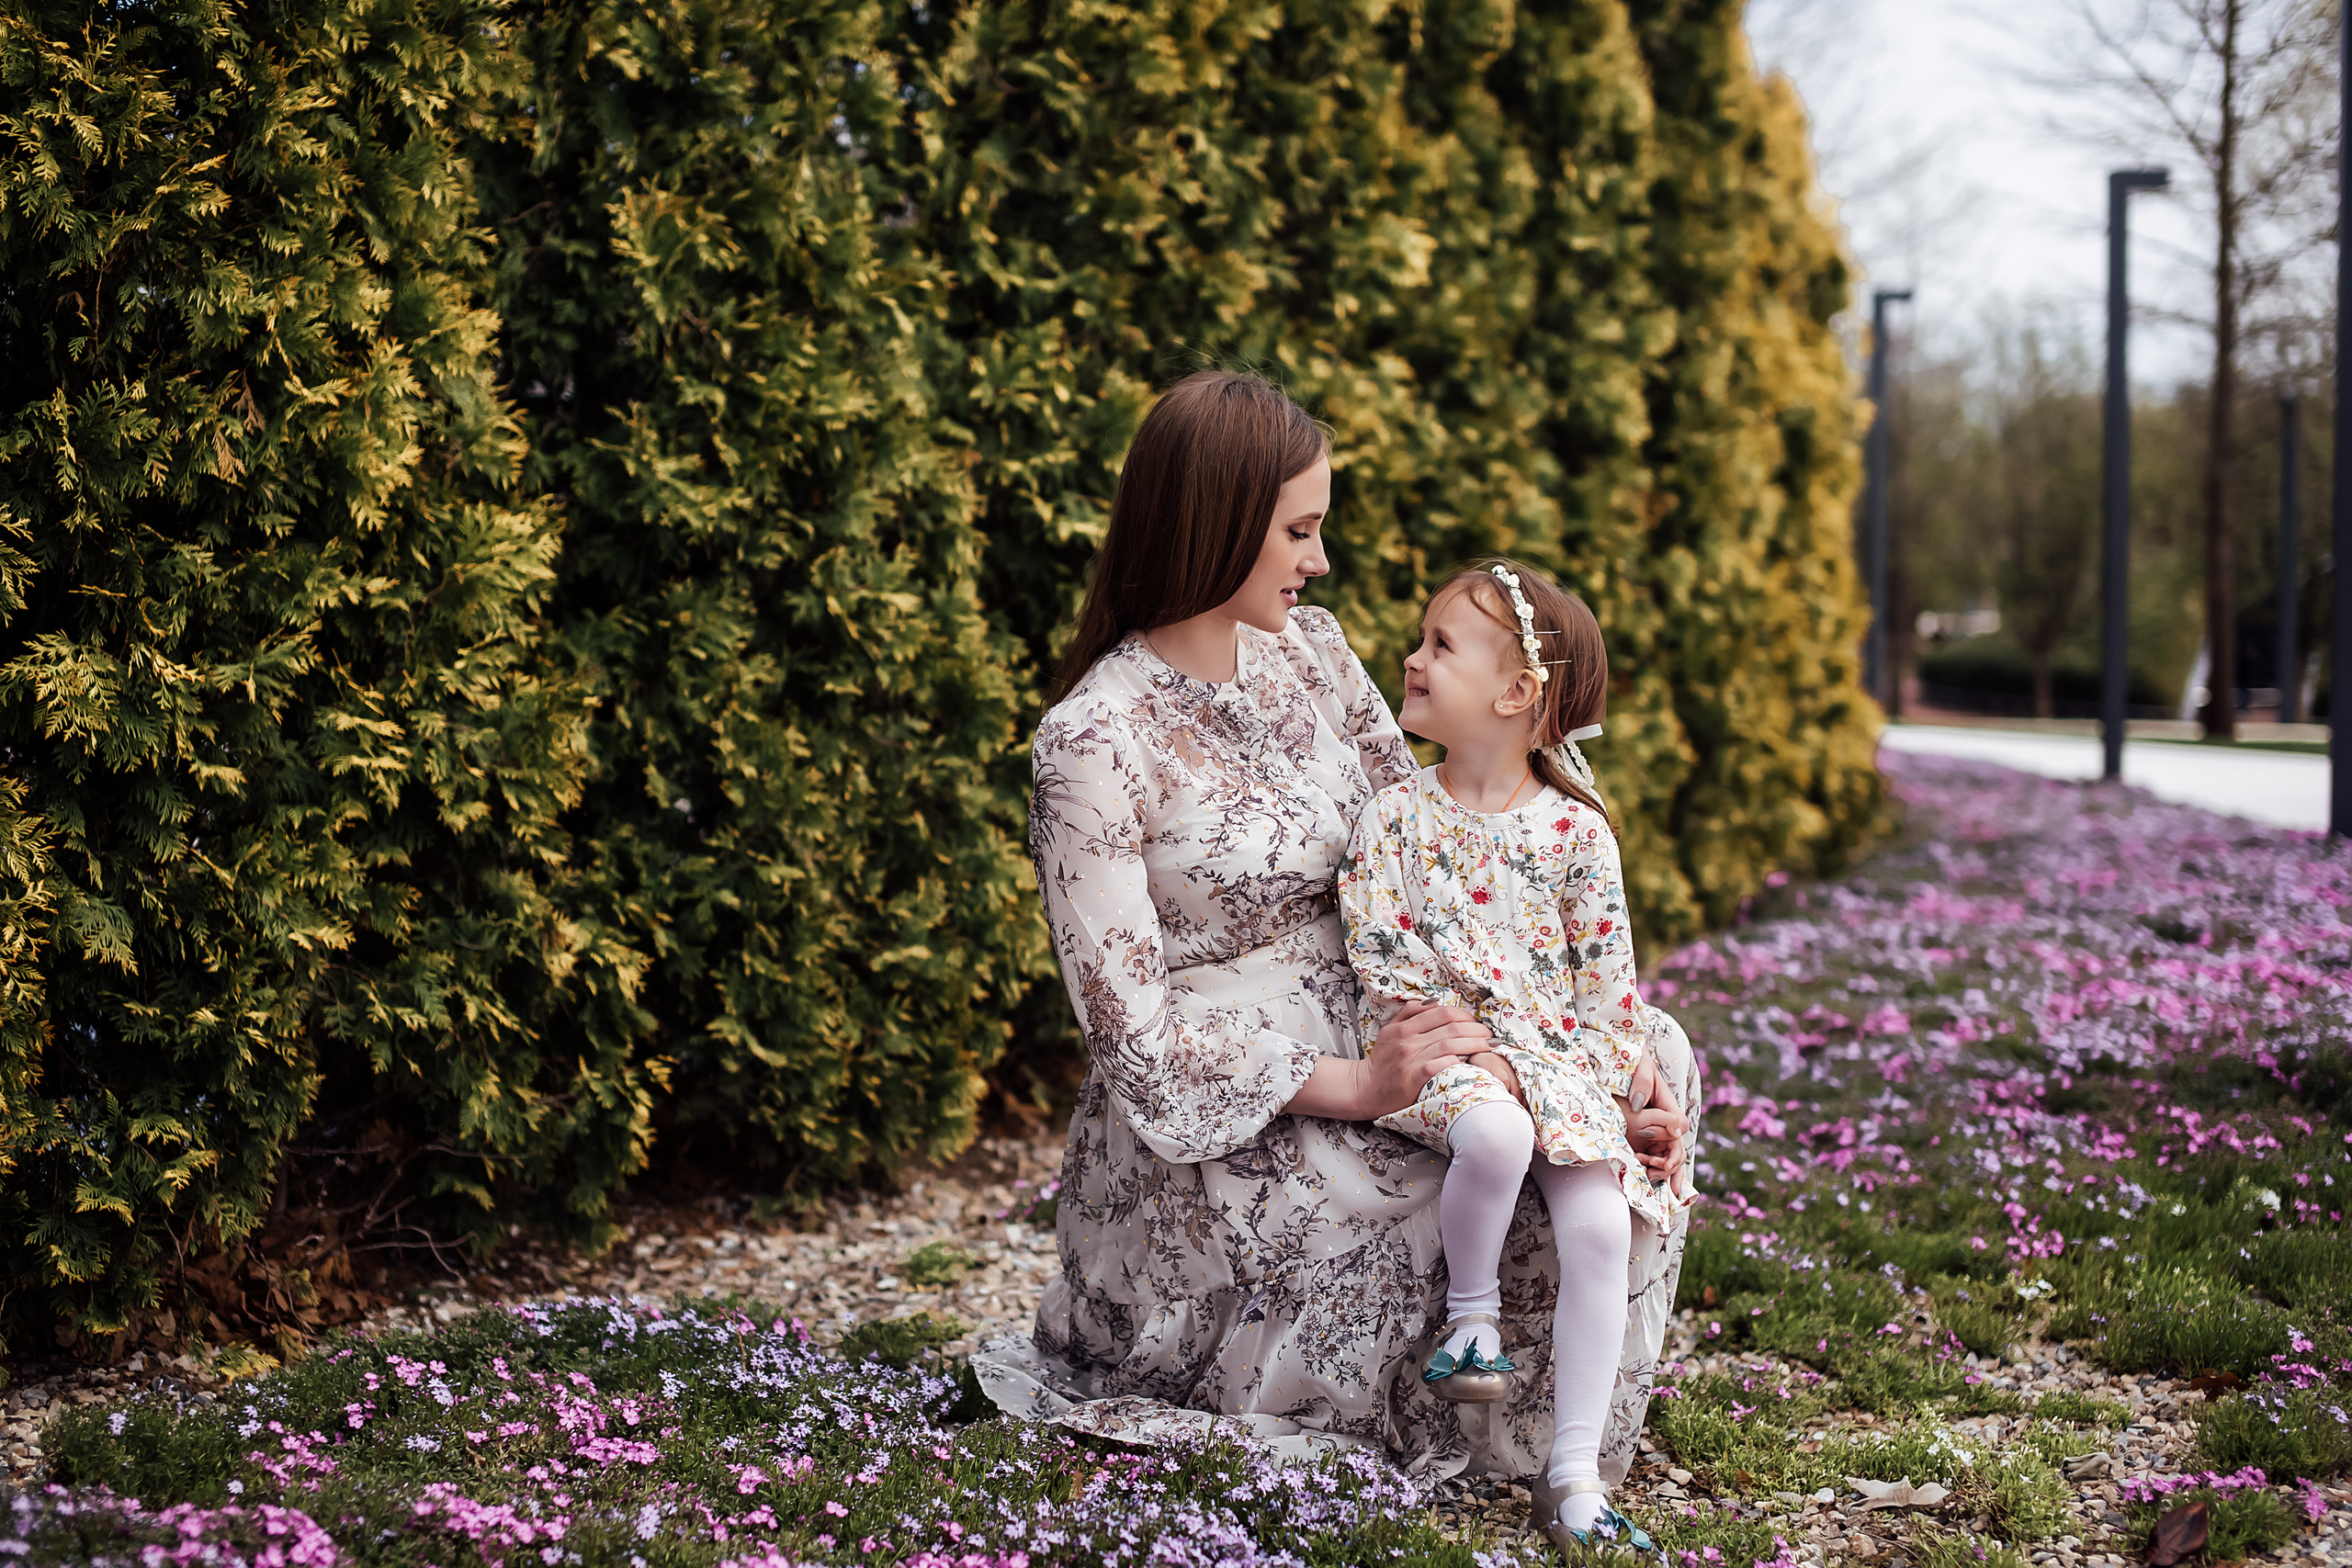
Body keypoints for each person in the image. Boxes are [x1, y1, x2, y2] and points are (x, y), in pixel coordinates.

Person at [971, 368, 1699, 1497]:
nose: (1318, 561)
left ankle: (1554, 1442)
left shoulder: (1310, 654)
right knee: (1408, 1168)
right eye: (1299, 531)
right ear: (1213, 527)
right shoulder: (1091, 744)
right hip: (1242, 1089)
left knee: (1637, 1069)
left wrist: (1599, 1058)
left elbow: (1456, 821)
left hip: (1394, 991)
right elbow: (1135, 1039)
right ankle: (1427, 1409)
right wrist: (1362, 1086)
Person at [1339, 559, 1691, 1548]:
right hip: (1450, 1059)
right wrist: (1478, 1049)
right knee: (1492, 1135)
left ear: (1515, 692)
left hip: (1562, 1073)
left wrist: (1627, 1092)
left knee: (1601, 1226)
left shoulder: (1575, 834)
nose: (1410, 659)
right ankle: (1472, 1323)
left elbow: (1606, 986)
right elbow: (1382, 951)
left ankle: (1574, 1476)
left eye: (1439, 645)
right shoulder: (1394, 819)